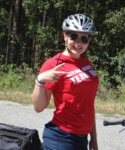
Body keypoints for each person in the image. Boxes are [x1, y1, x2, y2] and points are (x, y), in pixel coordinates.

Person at [32, 14, 99, 150]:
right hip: (61, 137)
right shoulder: (53, 64)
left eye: (84, 38)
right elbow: (38, 107)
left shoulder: (86, 63)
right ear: (65, 36)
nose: (78, 43)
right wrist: (40, 81)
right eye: (73, 36)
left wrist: (94, 137)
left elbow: (88, 104)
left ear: (89, 40)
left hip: (82, 138)